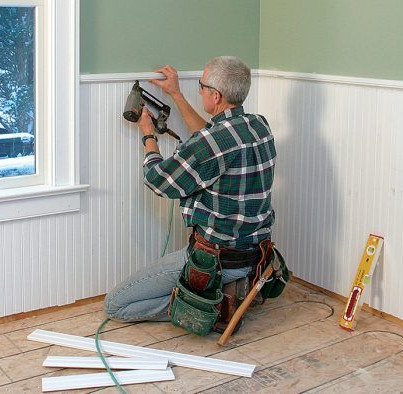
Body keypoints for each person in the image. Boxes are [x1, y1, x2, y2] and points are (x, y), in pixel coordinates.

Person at [104, 56, 276, 324]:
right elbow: (210, 135)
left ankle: (210, 307)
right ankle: (228, 290)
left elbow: (159, 180)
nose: (200, 90)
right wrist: (176, 95)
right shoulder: (258, 125)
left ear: (215, 95)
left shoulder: (214, 141)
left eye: (201, 85)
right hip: (254, 254)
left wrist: (148, 135)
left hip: (215, 260)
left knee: (116, 305)